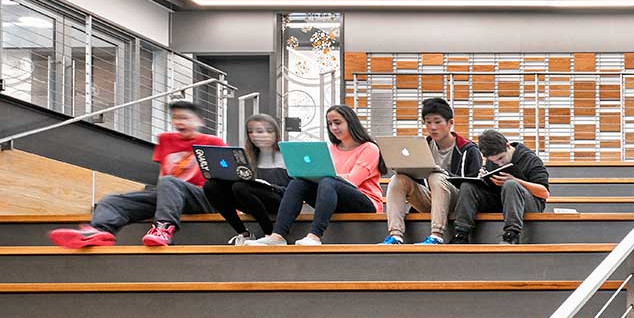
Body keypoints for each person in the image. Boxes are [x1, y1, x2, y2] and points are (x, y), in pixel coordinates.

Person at [49, 98, 225, 249]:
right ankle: (100, 232)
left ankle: (163, 229)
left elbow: (223, 178)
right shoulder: (166, 140)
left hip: (204, 197)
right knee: (112, 201)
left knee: (169, 182)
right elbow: (163, 173)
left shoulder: (213, 142)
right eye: (175, 118)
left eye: (185, 118)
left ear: (200, 121)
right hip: (171, 194)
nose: (179, 123)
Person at [253, 104, 382, 247]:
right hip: (333, 197)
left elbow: (353, 180)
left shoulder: (369, 148)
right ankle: (278, 236)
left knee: (327, 180)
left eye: (337, 123)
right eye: (330, 124)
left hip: (365, 201)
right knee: (298, 183)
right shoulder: (330, 148)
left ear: (351, 122)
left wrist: (325, 177)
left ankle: (314, 236)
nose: (333, 128)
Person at [382, 96, 481, 246]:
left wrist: (442, 174)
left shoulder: (468, 149)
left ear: (450, 123)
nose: (432, 127)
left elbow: (473, 186)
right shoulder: (423, 146)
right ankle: (395, 236)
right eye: (428, 122)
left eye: (437, 122)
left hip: (457, 201)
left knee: (436, 177)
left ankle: (436, 236)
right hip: (430, 199)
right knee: (398, 179)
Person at [449, 130, 550, 245]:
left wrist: (516, 181)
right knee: (467, 186)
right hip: (501, 200)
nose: (499, 164)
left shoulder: (531, 159)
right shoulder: (492, 162)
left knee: (510, 184)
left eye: (501, 158)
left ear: (507, 145)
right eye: (494, 161)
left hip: (528, 203)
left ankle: (511, 235)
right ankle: (461, 234)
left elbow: (544, 193)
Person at [203, 112, 290, 245]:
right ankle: (244, 233)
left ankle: (270, 233)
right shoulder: (245, 156)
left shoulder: (286, 155)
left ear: (274, 133)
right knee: (211, 185)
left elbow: (295, 190)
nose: (255, 135)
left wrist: (267, 185)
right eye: (251, 132)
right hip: (248, 198)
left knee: (241, 187)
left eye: (261, 131)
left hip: (279, 199)